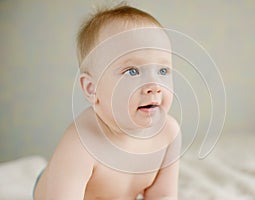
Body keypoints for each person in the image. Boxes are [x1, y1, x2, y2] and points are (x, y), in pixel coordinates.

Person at [34, 3, 181, 200]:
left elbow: (163, 195)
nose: (154, 85)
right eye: (132, 71)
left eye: (163, 70)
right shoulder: (82, 142)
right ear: (91, 88)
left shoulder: (168, 134)